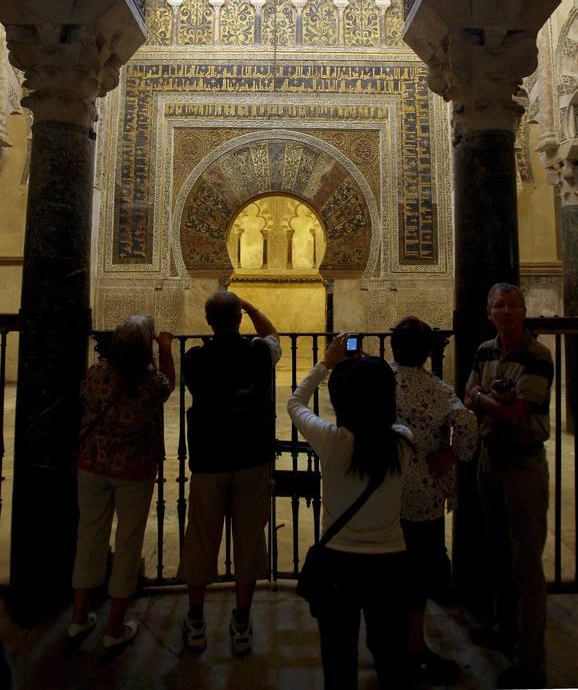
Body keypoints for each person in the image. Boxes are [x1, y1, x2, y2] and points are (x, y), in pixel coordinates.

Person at [287, 334, 414, 690]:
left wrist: (326, 364)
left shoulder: (330, 441)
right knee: (391, 655)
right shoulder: (403, 441)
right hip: (391, 562)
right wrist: (372, 367)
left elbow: (295, 403)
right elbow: (387, 396)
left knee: (338, 656)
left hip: (338, 564)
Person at [177, 291, 280, 655]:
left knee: (201, 538)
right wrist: (253, 308)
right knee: (250, 543)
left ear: (208, 322)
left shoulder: (193, 360)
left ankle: (196, 620)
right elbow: (273, 337)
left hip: (208, 461)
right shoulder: (258, 354)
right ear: (239, 319)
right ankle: (241, 622)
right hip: (252, 458)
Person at [464, 282, 553, 690]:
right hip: (490, 458)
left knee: (525, 564)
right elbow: (468, 393)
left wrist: (484, 399)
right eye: (498, 305)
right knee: (498, 549)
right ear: (488, 311)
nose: (505, 311)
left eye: (512, 305)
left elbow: (516, 414)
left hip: (522, 462)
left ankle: (531, 661)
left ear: (524, 311)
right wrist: (487, 400)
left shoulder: (538, 355)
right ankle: (504, 629)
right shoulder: (485, 350)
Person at [68, 314, 175, 648]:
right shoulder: (149, 383)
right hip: (134, 472)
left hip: (92, 467)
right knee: (128, 544)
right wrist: (166, 348)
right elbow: (168, 383)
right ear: (146, 348)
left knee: (89, 537)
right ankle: (115, 628)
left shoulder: (97, 374)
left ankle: (78, 617)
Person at [391, 316, 478, 686]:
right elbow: (469, 425)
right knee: (416, 573)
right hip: (424, 496)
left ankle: (385, 641)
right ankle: (413, 646)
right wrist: (454, 455)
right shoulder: (439, 389)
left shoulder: (380, 380)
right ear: (429, 353)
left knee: (388, 569)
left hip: (385, 494)